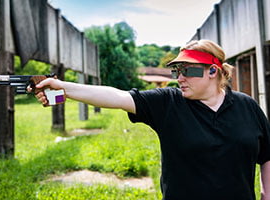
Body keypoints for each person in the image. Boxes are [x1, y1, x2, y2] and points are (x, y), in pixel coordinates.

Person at [29, 39, 270, 200]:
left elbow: (267, 155)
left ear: (212, 71)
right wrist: (63, 88)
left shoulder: (247, 107)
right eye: (177, 71)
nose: (180, 78)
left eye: (188, 70)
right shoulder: (168, 103)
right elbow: (116, 96)